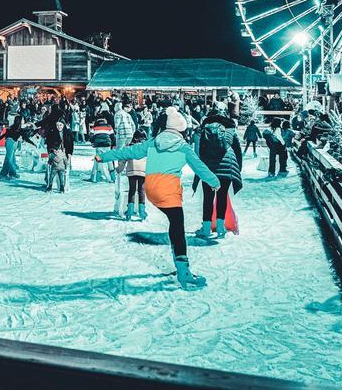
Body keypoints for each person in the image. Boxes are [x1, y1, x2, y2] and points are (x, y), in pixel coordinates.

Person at [96, 106, 220, 290]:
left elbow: (129, 152)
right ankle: (183, 270)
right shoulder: (184, 147)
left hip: (151, 188)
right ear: (181, 130)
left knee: (174, 223)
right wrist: (214, 181)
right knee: (178, 227)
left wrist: (104, 156)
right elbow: (199, 167)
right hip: (168, 190)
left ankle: (179, 263)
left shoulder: (153, 142)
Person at [194, 109, 243, 239]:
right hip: (227, 167)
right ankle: (221, 228)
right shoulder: (231, 130)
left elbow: (197, 152)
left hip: (208, 168)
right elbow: (238, 151)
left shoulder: (202, 130)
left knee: (208, 198)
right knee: (222, 196)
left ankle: (206, 228)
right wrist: (238, 168)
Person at [119, 129, 149, 220]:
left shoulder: (129, 147)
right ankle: (142, 212)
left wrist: (119, 169)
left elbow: (123, 159)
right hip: (143, 171)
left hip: (131, 170)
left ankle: (130, 211)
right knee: (141, 190)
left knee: (132, 190)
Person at [43, 118, 74, 193]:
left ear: (63, 125)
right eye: (57, 125)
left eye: (60, 125)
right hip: (54, 153)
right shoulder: (52, 132)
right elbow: (49, 143)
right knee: (51, 170)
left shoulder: (68, 132)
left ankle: (63, 186)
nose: (59, 127)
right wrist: (52, 150)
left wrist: (69, 153)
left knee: (64, 171)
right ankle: (50, 185)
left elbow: (71, 144)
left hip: (65, 153)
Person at [88, 116, 116, 183]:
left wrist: (93, 142)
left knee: (99, 161)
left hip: (98, 145)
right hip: (107, 145)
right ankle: (113, 178)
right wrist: (113, 144)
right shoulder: (109, 127)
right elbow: (113, 136)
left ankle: (98, 178)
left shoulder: (95, 128)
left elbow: (90, 136)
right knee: (109, 161)